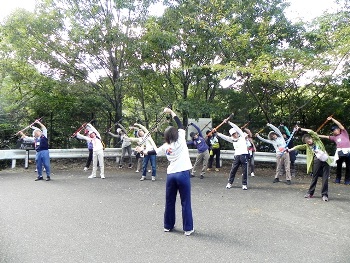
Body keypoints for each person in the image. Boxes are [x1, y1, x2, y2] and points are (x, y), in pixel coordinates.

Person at [135, 107, 194, 236]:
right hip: (183, 173)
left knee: (169, 200)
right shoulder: (181, 140)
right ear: (176, 134)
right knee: (185, 202)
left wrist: (140, 150)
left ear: (166, 137)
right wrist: (171, 112)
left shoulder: (165, 146)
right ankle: (188, 229)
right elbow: (179, 123)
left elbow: (151, 152)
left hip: (171, 175)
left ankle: (168, 226)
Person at [287, 127, 331, 201]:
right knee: (315, 177)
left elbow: (311, 131)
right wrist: (289, 150)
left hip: (326, 161)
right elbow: (298, 146)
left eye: (309, 140)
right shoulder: (307, 146)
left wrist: (300, 129)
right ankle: (310, 193)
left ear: (311, 138)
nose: (309, 142)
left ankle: (324, 195)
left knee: (325, 178)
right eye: (307, 142)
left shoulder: (317, 140)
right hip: (317, 161)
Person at [215, 120, 249, 190]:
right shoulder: (232, 139)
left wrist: (229, 123)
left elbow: (236, 127)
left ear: (237, 133)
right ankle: (230, 183)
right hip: (237, 156)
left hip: (244, 155)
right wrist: (217, 133)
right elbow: (225, 137)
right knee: (233, 170)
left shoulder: (242, 136)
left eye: (235, 133)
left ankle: (244, 184)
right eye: (233, 134)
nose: (234, 135)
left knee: (245, 170)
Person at [318, 117, 350, 185]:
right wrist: (316, 135)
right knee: (339, 167)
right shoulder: (334, 137)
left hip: (348, 152)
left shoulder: (344, 133)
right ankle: (338, 179)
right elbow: (325, 136)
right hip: (339, 153)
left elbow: (339, 124)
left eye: (334, 130)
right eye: (333, 131)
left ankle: (347, 180)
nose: (334, 131)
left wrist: (332, 119)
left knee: (348, 167)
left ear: (338, 129)